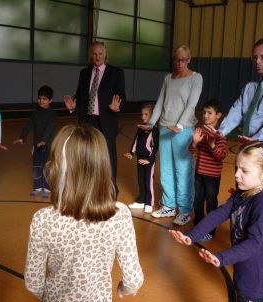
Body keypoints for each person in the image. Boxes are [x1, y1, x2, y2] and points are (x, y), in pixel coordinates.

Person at [25, 124, 144, 302]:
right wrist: (124, 289)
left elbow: (33, 282)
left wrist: (54, 297)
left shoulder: (43, 220)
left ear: (56, 168)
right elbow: (133, 279)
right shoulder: (119, 215)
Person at [170, 141, 263, 302]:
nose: (237, 175)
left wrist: (221, 257)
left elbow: (255, 243)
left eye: (245, 171)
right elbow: (220, 213)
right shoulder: (243, 193)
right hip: (248, 277)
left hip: (257, 283)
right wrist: (192, 236)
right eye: (236, 168)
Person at [142, 45, 203, 226]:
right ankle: (168, 205)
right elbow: (160, 102)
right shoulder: (168, 78)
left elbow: (192, 104)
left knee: (183, 171)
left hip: (183, 129)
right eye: (177, 59)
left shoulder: (195, 78)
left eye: (184, 59)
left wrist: (180, 124)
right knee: (166, 169)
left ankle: (184, 210)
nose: (180, 63)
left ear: (189, 59)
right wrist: (151, 123)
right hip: (165, 128)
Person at [205, 38, 263, 147]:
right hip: (249, 140)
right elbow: (237, 111)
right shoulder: (250, 86)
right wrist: (221, 131)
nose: (257, 61)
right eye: (255, 57)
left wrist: (256, 139)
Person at [63, 41, 125, 191]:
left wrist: (118, 107)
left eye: (100, 54)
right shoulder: (84, 73)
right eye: (95, 54)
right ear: (91, 55)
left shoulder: (116, 72)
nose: (98, 57)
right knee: (87, 156)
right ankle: (89, 190)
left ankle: (110, 191)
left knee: (109, 158)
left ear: (105, 54)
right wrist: (73, 106)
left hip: (106, 120)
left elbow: (122, 96)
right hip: (87, 121)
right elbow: (79, 95)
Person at [190, 98, 226, 241]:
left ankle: (210, 230)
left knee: (211, 203)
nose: (205, 116)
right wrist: (194, 143)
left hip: (212, 177)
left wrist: (212, 144)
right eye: (204, 112)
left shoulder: (220, 134)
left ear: (218, 115)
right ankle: (198, 225)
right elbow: (190, 150)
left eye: (209, 113)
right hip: (199, 174)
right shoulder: (200, 131)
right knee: (197, 201)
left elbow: (221, 156)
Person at [13, 85, 56, 198]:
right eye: (40, 98)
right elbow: (28, 125)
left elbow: (50, 128)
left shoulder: (51, 114)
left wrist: (44, 141)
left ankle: (47, 189)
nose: (41, 101)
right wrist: (22, 137)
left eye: (44, 99)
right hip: (36, 145)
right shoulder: (35, 113)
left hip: (47, 145)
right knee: (36, 166)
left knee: (47, 167)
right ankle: (37, 187)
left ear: (50, 100)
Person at [124, 103, 159, 214]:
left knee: (148, 181)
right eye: (142, 114)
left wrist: (149, 159)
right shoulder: (140, 129)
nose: (143, 117)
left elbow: (155, 146)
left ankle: (149, 202)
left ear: (152, 116)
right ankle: (141, 200)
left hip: (149, 160)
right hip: (140, 158)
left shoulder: (154, 129)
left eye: (146, 114)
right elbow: (135, 141)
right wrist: (131, 153)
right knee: (141, 180)